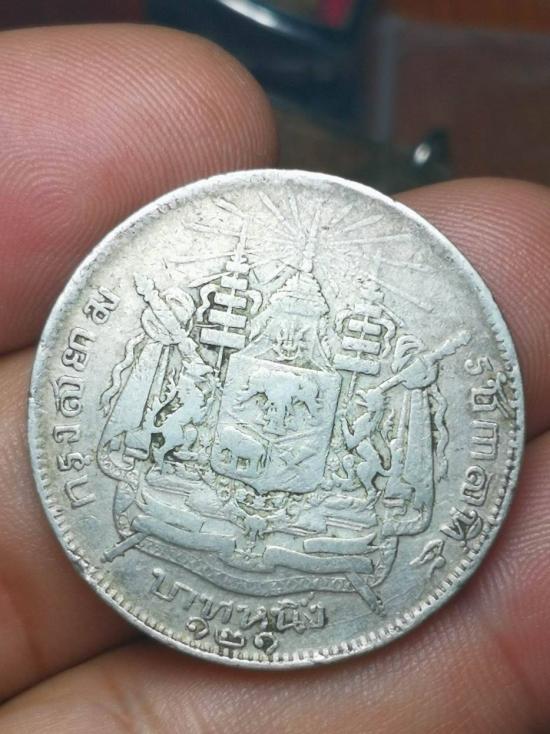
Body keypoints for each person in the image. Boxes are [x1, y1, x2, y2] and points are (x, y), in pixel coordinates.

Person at [0, 23, 549, 734]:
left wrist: (410, 392)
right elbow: (140, 441)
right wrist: (169, 352)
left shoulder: (351, 384)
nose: (290, 339)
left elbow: (397, 495)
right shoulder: (219, 358)